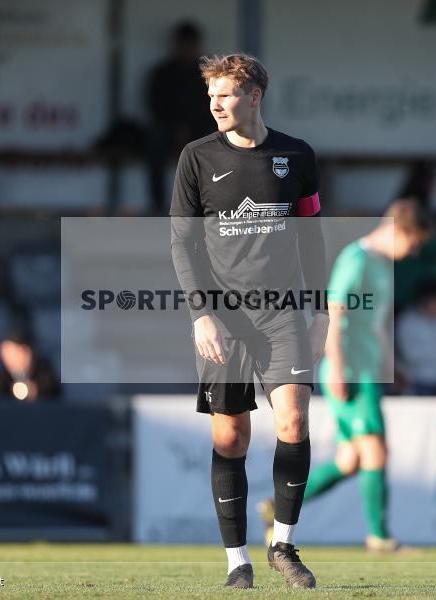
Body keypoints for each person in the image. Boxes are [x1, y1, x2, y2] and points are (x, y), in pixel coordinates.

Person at [169, 53, 327, 589]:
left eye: (226, 94)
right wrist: (201, 315)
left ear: (254, 96)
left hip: (283, 314)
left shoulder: (296, 155)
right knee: (232, 438)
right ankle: (238, 561)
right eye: (210, 95)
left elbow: (312, 239)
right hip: (224, 322)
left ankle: (283, 542)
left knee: (295, 423)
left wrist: (322, 313)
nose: (215, 104)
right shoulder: (195, 157)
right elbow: (182, 244)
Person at [263, 200, 432, 553]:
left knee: (349, 460)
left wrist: (393, 363)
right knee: (376, 449)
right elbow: (335, 313)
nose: (414, 252)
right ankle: (380, 537)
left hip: (369, 369)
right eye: (414, 244)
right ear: (398, 230)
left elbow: (376, 325)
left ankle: (277, 508)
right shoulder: (356, 260)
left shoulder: (383, 265)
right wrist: (336, 365)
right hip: (351, 371)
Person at [147, 22, 215, 215]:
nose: (187, 48)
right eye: (183, 44)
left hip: (200, 129)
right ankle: (158, 204)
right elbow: (155, 106)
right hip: (168, 130)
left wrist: (189, 129)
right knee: (155, 141)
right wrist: (176, 128)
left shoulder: (208, 73)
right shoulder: (162, 72)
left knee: (214, 143)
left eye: (190, 44)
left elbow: (213, 107)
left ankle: (206, 205)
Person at [0, 329, 61, 402]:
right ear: (3, 351)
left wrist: (36, 390)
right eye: (14, 350)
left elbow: (56, 395)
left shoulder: (45, 372)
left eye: (24, 350)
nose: (19, 355)